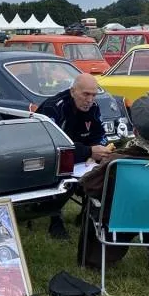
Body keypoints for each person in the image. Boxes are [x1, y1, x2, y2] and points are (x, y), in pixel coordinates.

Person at [77, 96, 149, 268]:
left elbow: (89, 187)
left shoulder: (117, 160)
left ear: (136, 131)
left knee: (94, 203)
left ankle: (93, 261)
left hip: (119, 218)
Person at [36, 74, 112, 238]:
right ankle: (55, 220)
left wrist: (100, 150)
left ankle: (87, 214)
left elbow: (100, 135)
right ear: (72, 91)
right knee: (65, 176)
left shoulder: (94, 107)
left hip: (81, 159)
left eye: (94, 95)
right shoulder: (54, 107)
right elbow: (53, 146)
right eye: (86, 94)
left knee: (106, 170)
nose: (90, 100)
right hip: (50, 160)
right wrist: (89, 151)